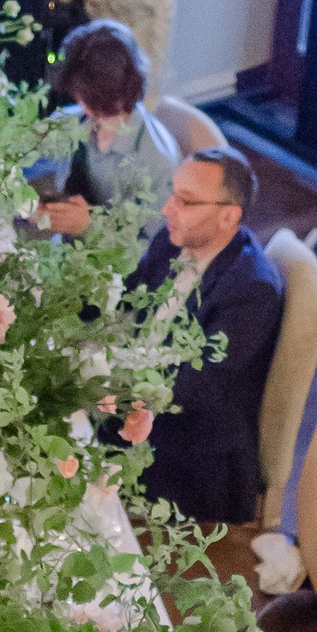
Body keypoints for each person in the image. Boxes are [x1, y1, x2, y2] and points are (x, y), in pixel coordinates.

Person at [128, 145, 284, 570]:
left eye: (186, 201)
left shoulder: (250, 290)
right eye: (172, 194)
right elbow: (128, 301)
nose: (168, 209)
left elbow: (196, 386)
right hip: (147, 411)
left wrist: (115, 387)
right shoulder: (174, 240)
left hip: (190, 458)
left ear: (229, 216)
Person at [29, 18, 180, 233]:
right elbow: (25, 162)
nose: (83, 107)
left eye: (90, 100)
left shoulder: (158, 162)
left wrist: (90, 227)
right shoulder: (71, 120)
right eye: (79, 96)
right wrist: (29, 205)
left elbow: (152, 244)